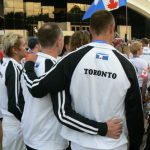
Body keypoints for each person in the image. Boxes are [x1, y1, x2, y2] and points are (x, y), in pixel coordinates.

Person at [24, 10, 144, 150]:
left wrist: (29, 65)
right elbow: (135, 113)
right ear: (113, 28)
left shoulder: (71, 60)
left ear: (90, 30)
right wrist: (135, 145)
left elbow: (37, 89)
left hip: (80, 143)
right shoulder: (127, 65)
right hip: (114, 143)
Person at [21, 23, 68, 150]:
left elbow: (22, 99)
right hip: (49, 140)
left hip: (30, 134)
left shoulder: (28, 64)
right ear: (59, 42)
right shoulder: (56, 67)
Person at [0, 33, 27, 150]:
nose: (27, 47)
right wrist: (27, 121)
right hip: (15, 124)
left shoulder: (4, 64)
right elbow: (14, 104)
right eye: (24, 45)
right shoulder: (13, 67)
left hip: (9, 122)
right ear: (15, 49)